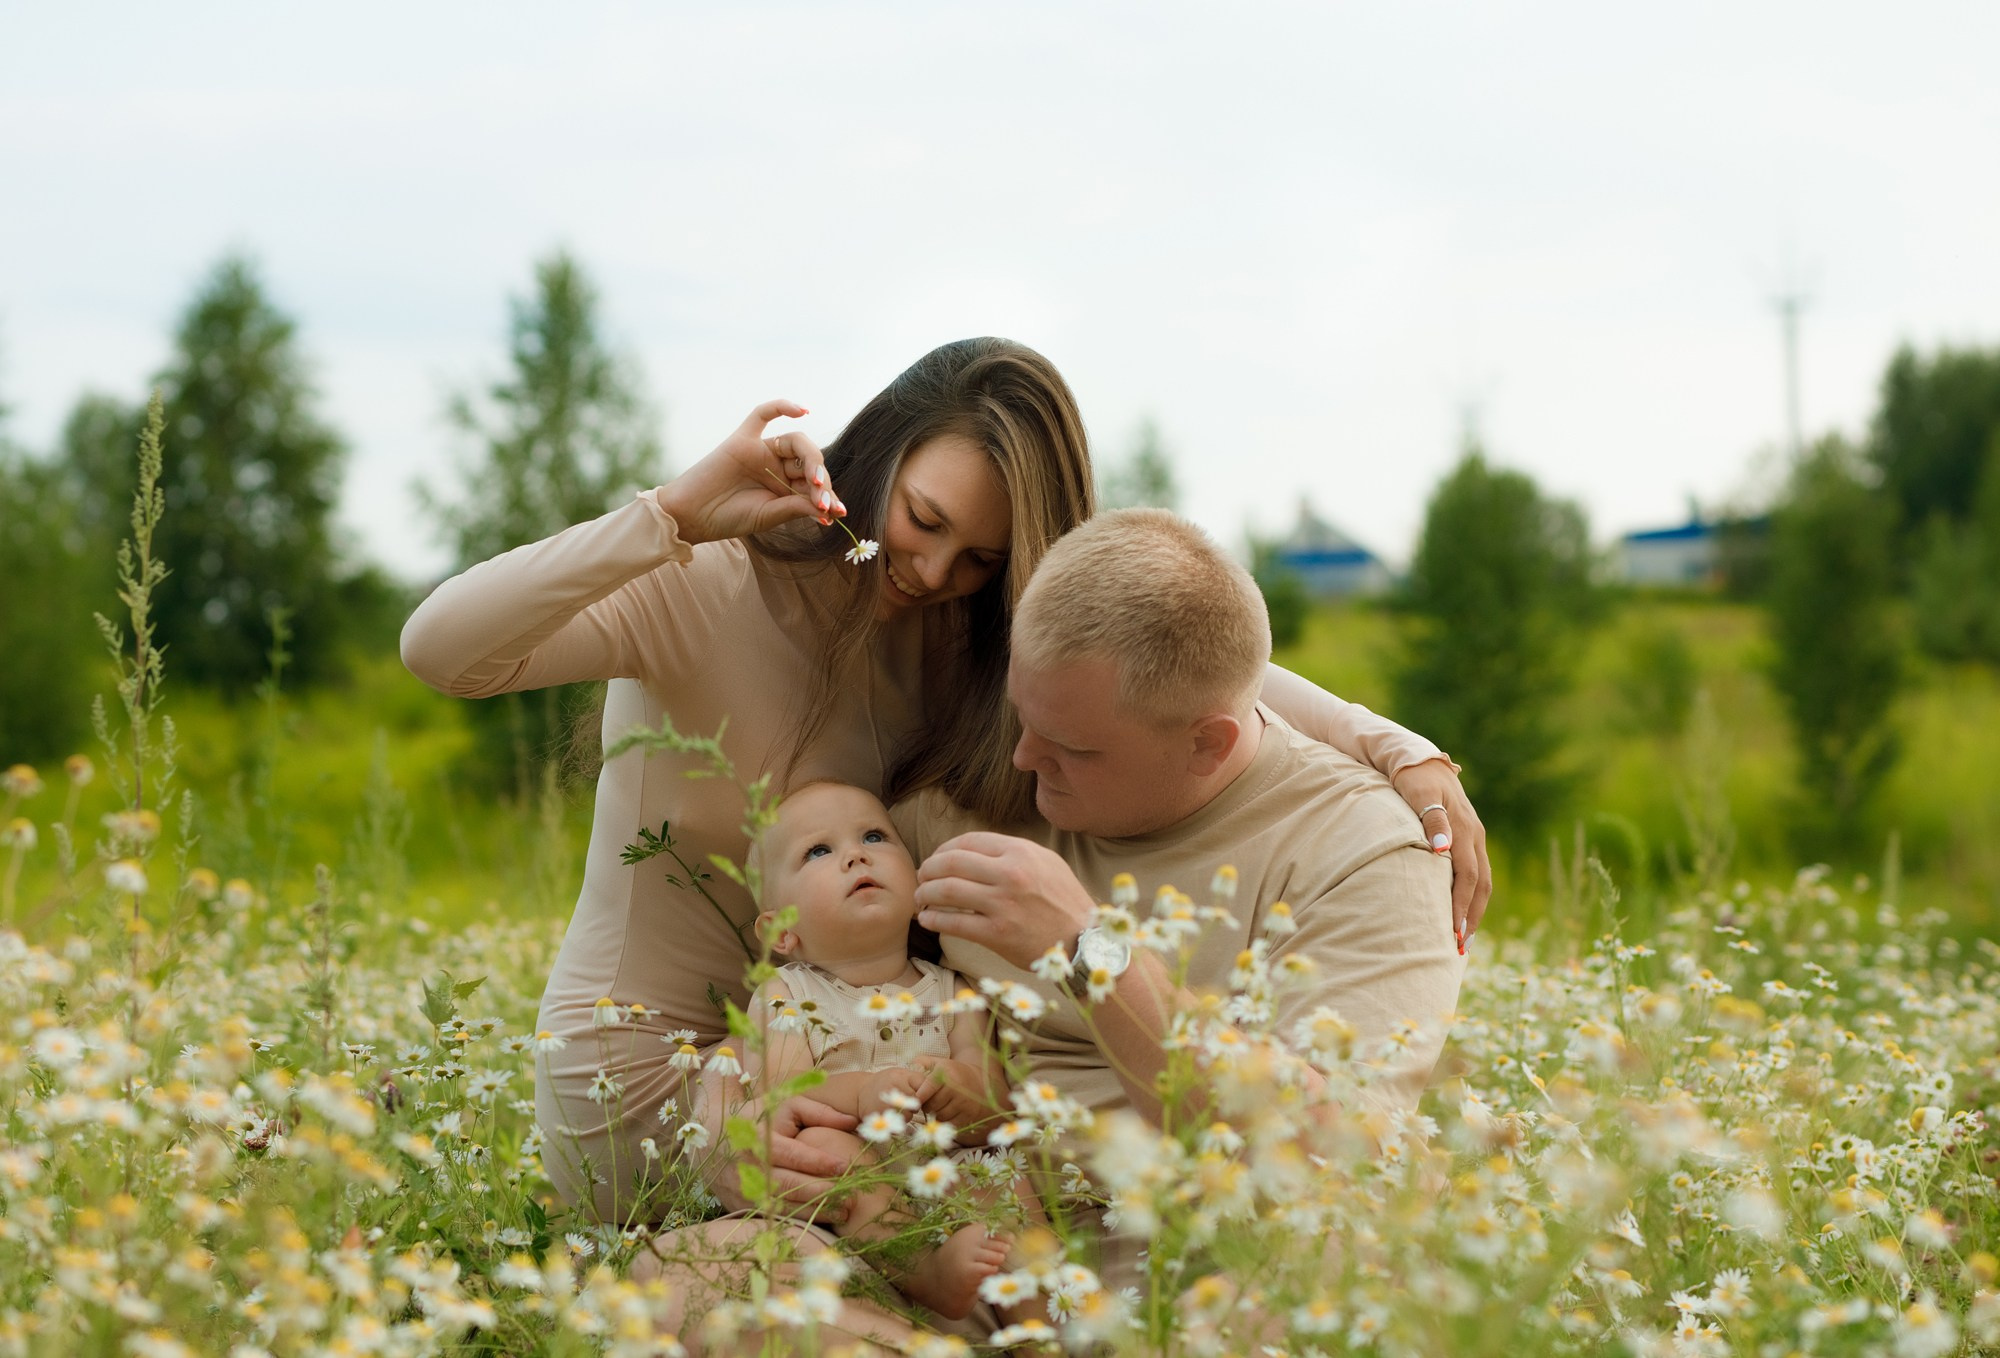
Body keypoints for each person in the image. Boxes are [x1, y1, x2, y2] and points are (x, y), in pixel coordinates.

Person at [400, 336, 1490, 1224]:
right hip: (654, 1080)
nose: (931, 572)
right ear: (877, 451)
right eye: (922, 521)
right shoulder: (700, 583)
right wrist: (673, 514)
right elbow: (444, 651)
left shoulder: (962, 638)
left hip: (865, 1064)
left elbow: (1185, 664)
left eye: (979, 558)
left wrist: (1395, 749)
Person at [722, 779, 1043, 1325]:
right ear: (779, 930)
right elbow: (786, 1095)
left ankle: (1045, 1332)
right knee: (828, 1146)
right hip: (861, 1180)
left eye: (874, 835)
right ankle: (923, 1269)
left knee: (1007, 1175)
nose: (856, 854)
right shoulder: (787, 994)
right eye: (818, 851)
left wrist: (960, 1087)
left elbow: (996, 1103)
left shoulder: (954, 989)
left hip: (950, 1167)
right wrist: (863, 1092)